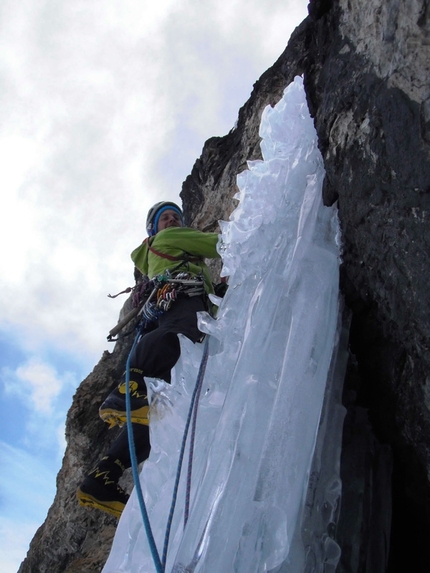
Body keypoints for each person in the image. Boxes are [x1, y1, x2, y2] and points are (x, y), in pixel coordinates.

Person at [76, 201, 221, 518]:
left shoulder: (158, 254)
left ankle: (105, 475)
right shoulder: (169, 240)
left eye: (175, 217)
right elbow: (217, 244)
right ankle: (126, 390)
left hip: (165, 303)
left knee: (158, 410)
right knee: (182, 332)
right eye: (165, 218)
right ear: (154, 229)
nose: (171, 220)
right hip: (181, 294)